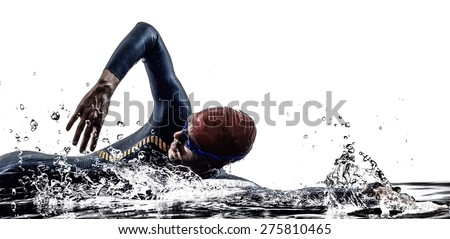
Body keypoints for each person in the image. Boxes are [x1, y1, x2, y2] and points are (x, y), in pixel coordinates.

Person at [0, 22, 257, 187]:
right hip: (26, 172)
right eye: (187, 127)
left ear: (214, 163)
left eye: (190, 142)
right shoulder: (173, 118)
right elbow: (149, 35)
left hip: (44, 201)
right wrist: (105, 87)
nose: (178, 135)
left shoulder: (211, 186)